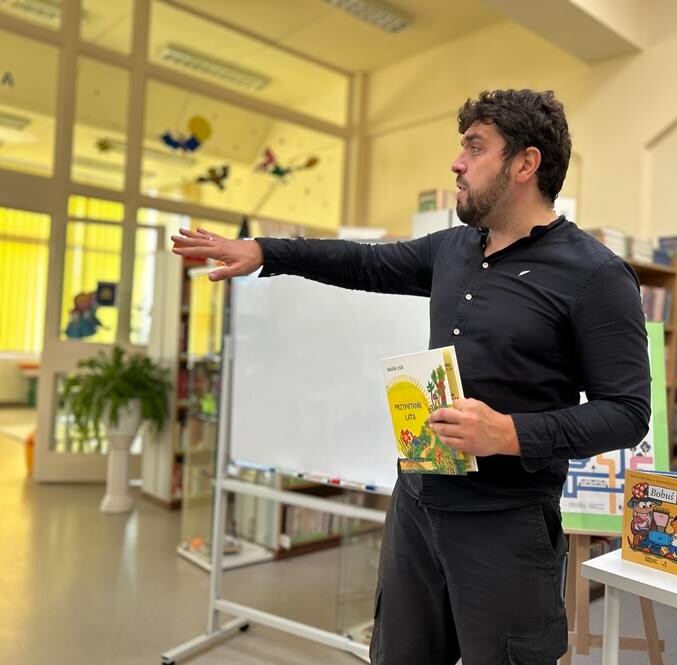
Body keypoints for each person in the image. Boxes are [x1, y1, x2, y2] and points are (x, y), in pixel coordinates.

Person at [171, 89, 651, 665]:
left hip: (506, 525)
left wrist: (508, 433)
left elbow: (627, 413)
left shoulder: (596, 275)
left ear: (526, 163)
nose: (457, 162)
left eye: (475, 147)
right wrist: (265, 251)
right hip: (417, 504)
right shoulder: (453, 248)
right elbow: (365, 263)